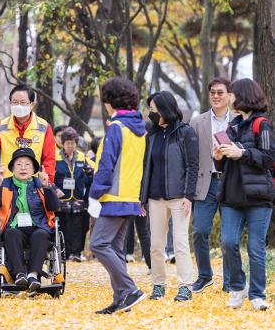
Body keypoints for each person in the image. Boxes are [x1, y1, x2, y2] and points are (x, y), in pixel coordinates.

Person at [214, 78, 275, 311]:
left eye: (232, 94)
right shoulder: (232, 126)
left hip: (259, 196)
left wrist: (242, 153)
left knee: (255, 247)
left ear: (244, 96)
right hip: (231, 195)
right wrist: (218, 158)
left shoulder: (262, 125)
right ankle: (238, 287)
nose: (229, 98)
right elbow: (225, 166)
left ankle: (258, 294)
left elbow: (269, 158)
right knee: (228, 243)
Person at [88, 77, 147, 314]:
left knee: (98, 244)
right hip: (130, 197)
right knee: (116, 248)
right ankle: (122, 298)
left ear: (110, 101)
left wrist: (94, 194)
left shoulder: (116, 128)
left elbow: (106, 165)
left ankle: (129, 290)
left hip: (112, 198)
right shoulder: (139, 130)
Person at [140, 91, 198, 302]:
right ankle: (158, 285)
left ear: (165, 109)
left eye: (154, 109)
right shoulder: (152, 135)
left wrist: (188, 196)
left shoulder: (186, 133)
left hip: (179, 198)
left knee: (180, 243)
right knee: (156, 245)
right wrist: (142, 198)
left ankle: (185, 286)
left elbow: (193, 166)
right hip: (155, 198)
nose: (151, 113)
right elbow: (146, 168)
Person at [0, 148, 60, 294]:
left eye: (27, 165)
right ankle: (20, 274)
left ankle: (33, 275)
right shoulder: (6, 183)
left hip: (37, 225)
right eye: (19, 164)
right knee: (11, 233)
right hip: (14, 226)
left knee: (41, 234)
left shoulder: (40, 183)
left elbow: (54, 207)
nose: (23, 168)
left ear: (33, 169)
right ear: (12, 168)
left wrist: (47, 186)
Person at [189, 77, 234, 293]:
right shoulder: (197, 122)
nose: (216, 96)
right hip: (205, 184)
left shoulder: (238, 120)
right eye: (213, 92)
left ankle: (229, 281)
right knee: (199, 231)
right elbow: (190, 156)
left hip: (231, 184)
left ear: (229, 96)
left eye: (220, 92)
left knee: (228, 236)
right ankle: (204, 276)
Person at [0, 84, 56, 184]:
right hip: (6, 183)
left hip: (33, 186)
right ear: (10, 103)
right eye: (15, 102)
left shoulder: (43, 127)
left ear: (32, 104)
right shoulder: (1, 126)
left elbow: (49, 160)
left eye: (23, 102)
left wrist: (47, 184)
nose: (18, 106)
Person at [54, 127, 93, 262]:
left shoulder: (82, 157)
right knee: (63, 226)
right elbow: (50, 176)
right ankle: (64, 252)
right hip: (61, 198)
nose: (70, 146)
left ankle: (76, 252)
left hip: (77, 198)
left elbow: (89, 175)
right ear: (63, 143)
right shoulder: (55, 157)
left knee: (77, 226)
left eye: (72, 143)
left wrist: (89, 173)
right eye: (67, 143)